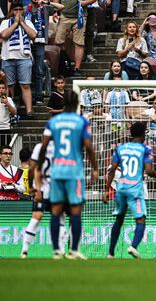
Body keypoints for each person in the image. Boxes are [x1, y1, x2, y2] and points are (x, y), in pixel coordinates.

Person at [36, 90, 98, 259]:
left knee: (56, 210)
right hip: (74, 171)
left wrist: (40, 169)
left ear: (63, 103)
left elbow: (44, 146)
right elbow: (88, 146)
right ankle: (74, 250)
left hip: (57, 170)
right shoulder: (81, 121)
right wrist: (95, 168)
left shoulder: (54, 121)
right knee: (76, 210)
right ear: (78, 102)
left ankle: (56, 250)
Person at [103, 122, 156, 258]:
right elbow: (148, 170)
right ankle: (133, 247)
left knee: (119, 219)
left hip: (121, 187)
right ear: (143, 134)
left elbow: (112, 169)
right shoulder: (145, 149)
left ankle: (110, 253)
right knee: (140, 220)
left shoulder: (121, 148)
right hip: (135, 187)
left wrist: (106, 190)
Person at [20, 140, 69, 258]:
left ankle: (24, 251)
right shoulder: (64, 147)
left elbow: (33, 169)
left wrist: (34, 188)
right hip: (57, 190)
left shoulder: (39, 147)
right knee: (60, 219)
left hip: (42, 188)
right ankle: (60, 251)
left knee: (36, 218)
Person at [53, 0, 97, 77]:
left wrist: (85, 3)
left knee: (79, 43)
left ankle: (77, 68)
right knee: (58, 41)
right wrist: (55, 10)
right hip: (64, 15)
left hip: (80, 17)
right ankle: (62, 64)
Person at [26, 0, 63, 105]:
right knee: (26, 69)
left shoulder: (45, 8)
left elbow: (61, 7)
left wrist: (47, 2)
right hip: (26, 42)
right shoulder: (25, 9)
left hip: (40, 42)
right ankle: (27, 96)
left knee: (39, 69)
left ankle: (38, 95)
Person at [0, 0, 37, 120]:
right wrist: (15, 23)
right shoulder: (5, 22)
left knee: (25, 85)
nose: (18, 12)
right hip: (8, 58)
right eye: (15, 10)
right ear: (11, 11)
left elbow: (33, 35)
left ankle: (29, 111)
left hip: (24, 58)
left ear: (23, 10)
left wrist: (22, 23)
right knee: (8, 86)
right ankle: (9, 112)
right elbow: (4, 35)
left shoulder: (28, 22)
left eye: (20, 10)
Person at [0, 81, 16, 146]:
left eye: (3, 88)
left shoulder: (8, 99)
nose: (1, 89)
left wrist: (7, 103)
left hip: (5, 128)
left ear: (5, 89)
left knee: (5, 150)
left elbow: (14, 112)